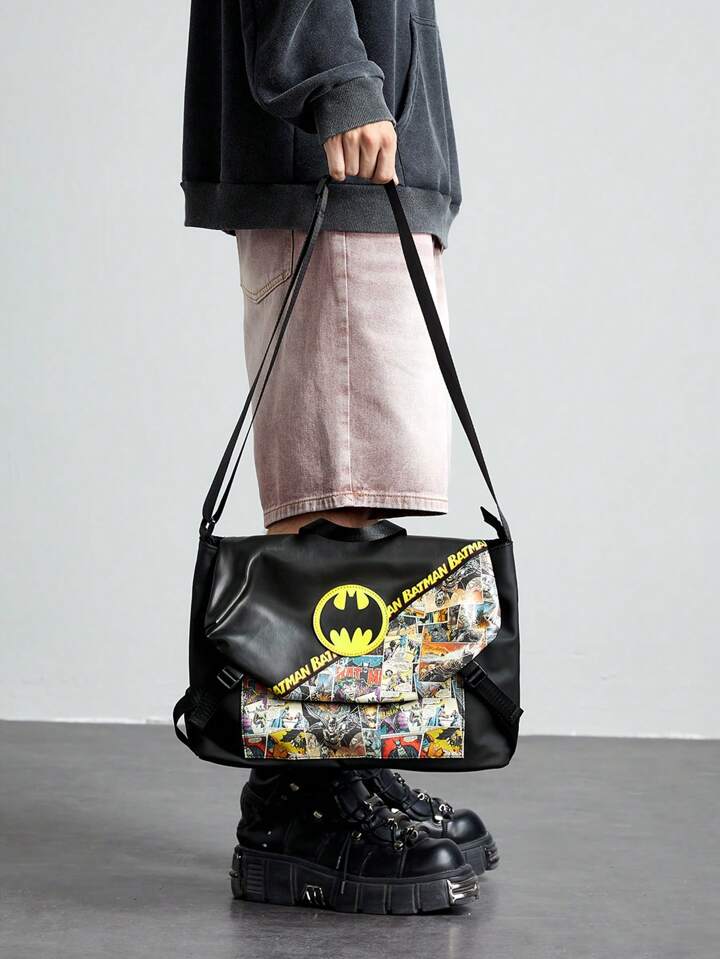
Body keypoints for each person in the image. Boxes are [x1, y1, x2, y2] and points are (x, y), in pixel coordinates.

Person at [181, 1, 498, 914]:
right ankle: (302, 801)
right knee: (340, 483)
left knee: (362, 474)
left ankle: (346, 764)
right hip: (337, 152)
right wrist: (340, 80)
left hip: (371, 156)